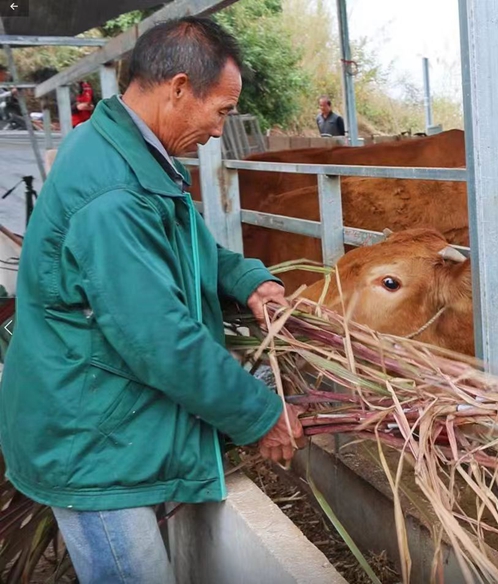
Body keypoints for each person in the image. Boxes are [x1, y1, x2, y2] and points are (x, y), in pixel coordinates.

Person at [0, 16, 305, 584]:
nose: (219, 131)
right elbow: (159, 336)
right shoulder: (113, 191)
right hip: (90, 439)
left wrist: (246, 279)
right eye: (221, 111)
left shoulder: (129, 151)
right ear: (180, 88)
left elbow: (185, 245)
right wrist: (260, 414)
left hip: (104, 418)